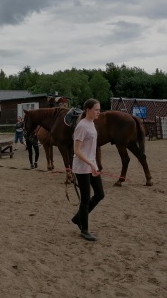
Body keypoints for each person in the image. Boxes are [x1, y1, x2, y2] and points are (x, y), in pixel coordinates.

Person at [71, 98, 105, 241]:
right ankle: (84, 230)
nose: (99, 112)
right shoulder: (82, 126)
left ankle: (78, 218)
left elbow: (91, 149)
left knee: (100, 194)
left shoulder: (92, 124)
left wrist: (95, 164)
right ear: (88, 110)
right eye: (96, 109)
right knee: (85, 199)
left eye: (99, 109)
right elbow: (77, 150)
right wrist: (91, 164)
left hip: (91, 165)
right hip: (81, 167)